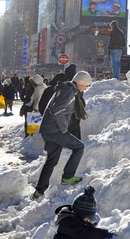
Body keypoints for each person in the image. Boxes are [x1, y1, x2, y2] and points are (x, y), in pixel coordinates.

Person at [33, 71, 93, 199]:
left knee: (51, 161)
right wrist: (64, 129)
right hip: (55, 131)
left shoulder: (66, 89)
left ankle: (39, 191)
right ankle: (67, 177)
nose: (86, 88)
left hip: (48, 129)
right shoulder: (69, 92)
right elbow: (57, 111)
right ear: (80, 83)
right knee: (79, 147)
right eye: (86, 85)